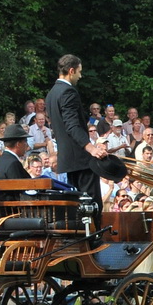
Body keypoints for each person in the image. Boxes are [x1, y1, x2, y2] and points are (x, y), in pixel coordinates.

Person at [45, 54, 109, 225]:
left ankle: (81, 243)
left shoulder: (51, 94)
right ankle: (92, 245)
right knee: (92, 204)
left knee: (78, 204)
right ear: (71, 71)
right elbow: (72, 126)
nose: (80, 76)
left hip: (68, 159)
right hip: (81, 159)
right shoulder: (68, 92)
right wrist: (91, 148)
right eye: (79, 72)